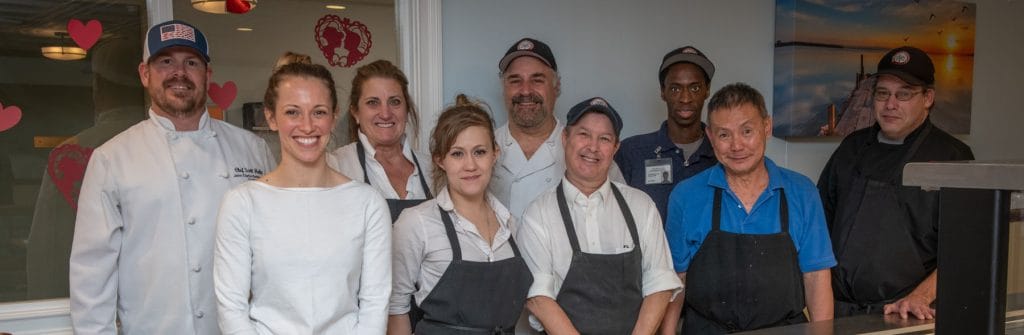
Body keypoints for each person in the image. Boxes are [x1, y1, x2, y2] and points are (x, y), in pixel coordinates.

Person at [69, 20, 276, 334]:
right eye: (166, 62)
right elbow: (91, 272)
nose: (179, 73)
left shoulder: (253, 150)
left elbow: (275, 250)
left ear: (207, 75)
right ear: (144, 74)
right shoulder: (112, 159)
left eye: (191, 63)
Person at [214, 55, 391, 334]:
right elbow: (231, 309)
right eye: (293, 112)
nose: (307, 126)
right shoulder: (242, 203)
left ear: (334, 118)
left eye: (319, 112)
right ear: (271, 118)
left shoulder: (367, 203)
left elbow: (375, 304)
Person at [664, 83, 835, 334]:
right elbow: (676, 280)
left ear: (766, 127)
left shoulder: (802, 192)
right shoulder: (686, 195)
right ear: (711, 137)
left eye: (747, 131)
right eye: (724, 135)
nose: (736, 146)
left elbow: (816, 278)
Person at [818, 46, 974, 320]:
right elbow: (819, 222)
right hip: (840, 311)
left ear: (928, 98)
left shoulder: (954, 158)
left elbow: (967, 247)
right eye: (882, 93)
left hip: (906, 314)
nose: (890, 104)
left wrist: (921, 296)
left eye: (904, 94)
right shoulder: (852, 148)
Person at [518, 97, 682, 334]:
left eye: (604, 139)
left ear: (615, 148)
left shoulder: (641, 205)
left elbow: (660, 283)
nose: (593, 147)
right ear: (565, 138)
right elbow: (538, 298)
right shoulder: (538, 214)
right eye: (583, 134)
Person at [388, 94, 532, 335]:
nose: (470, 165)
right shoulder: (417, 222)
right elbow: (396, 308)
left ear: (494, 154)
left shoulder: (510, 224)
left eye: (479, 152)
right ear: (440, 160)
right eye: (457, 154)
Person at [26, 38, 146, 299]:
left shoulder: (71, 152)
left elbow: (49, 246)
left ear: (98, 87)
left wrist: (45, 304)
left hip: (89, 299)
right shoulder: (174, 149)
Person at [490, 37, 623, 222]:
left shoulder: (589, 152)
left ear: (556, 86)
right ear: (503, 87)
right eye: (515, 81)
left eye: (537, 80)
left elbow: (617, 217)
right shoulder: (482, 149)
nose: (525, 91)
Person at [615, 46, 718, 223]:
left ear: (707, 90)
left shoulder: (722, 153)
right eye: (675, 89)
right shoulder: (631, 152)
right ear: (663, 92)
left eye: (694, 88)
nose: (685, 98)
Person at [327, 59, 432, 222]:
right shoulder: (335, 166)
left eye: (395, 102)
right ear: (355, 113)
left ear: (406, 110)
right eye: (373, 103)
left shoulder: (432, 169)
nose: (385, 113)